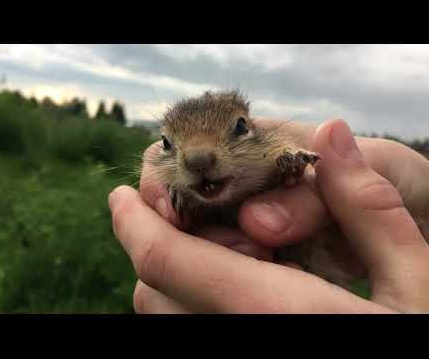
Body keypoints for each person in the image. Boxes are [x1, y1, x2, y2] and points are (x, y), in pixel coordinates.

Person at [108, 119, 429, 313]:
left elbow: (279, 149)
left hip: (315, 267)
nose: (196, 158)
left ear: (250, 127)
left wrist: (290, 163)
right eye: (169, 144)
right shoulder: (177, 185)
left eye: (236, 129)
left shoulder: (276, 154)